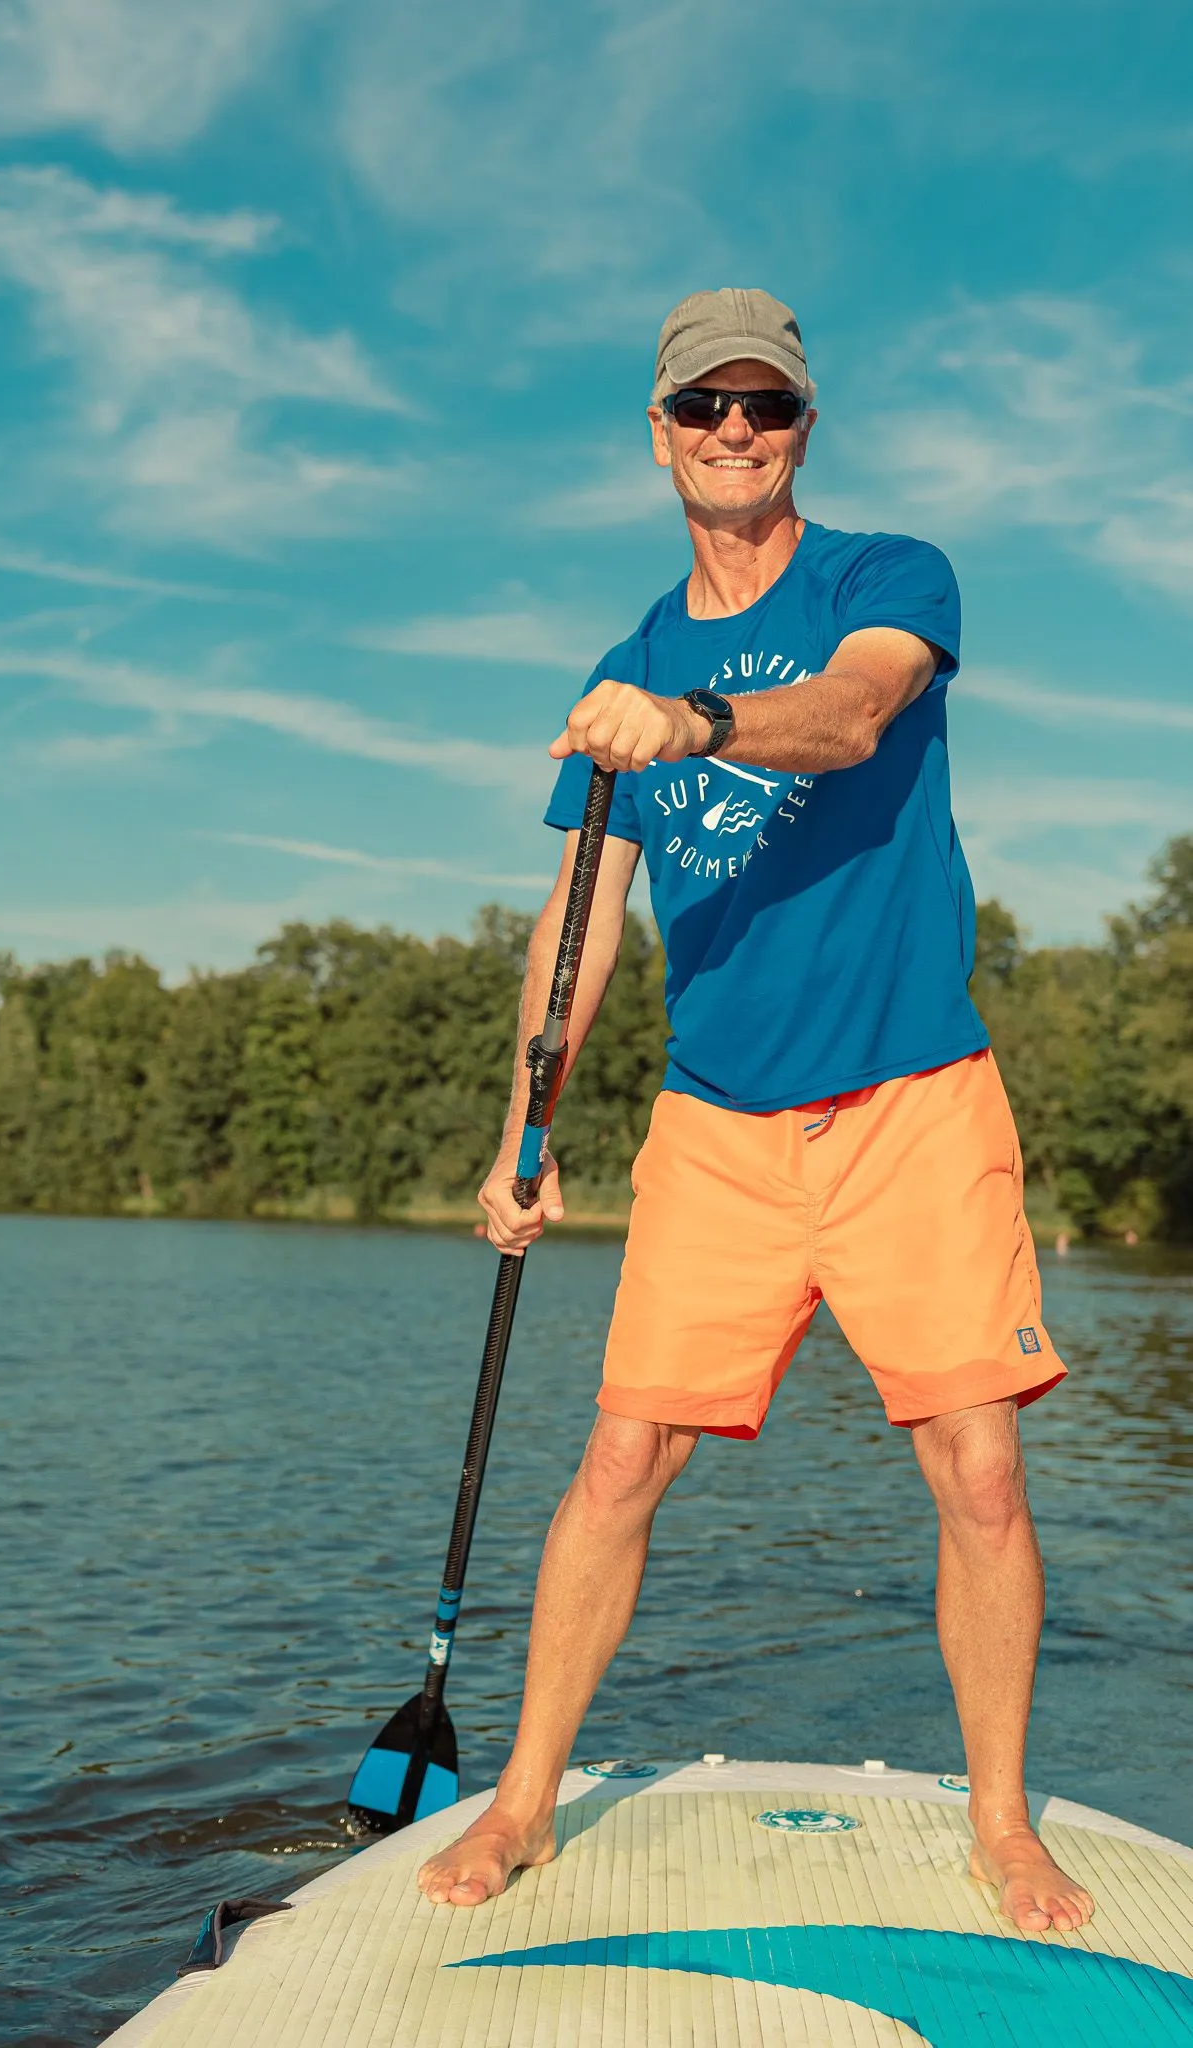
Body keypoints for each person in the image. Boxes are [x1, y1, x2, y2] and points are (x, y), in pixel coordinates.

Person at [417, 289, 1093, 1936]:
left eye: (764, 408)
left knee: (979, 1471)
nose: (734, 431)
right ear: (657, 433)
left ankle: (1003, 1827)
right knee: (620, 1458)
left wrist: (697, 723)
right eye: (702, 408)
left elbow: (856, 716)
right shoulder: (622, 666)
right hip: (715, 1125)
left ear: (803, 425)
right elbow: (577, 912)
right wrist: (529, 1125)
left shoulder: (885, 577)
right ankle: (519, 1806)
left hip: (912, 1100)